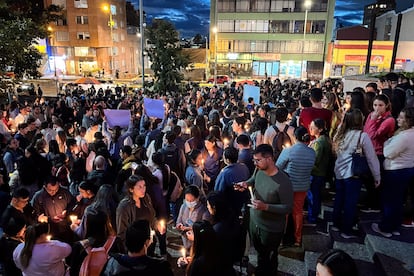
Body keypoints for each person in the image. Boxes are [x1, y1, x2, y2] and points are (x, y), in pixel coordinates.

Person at [234, 144, 293, 276]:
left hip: (271, 228)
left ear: (269, 159)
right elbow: (254, 179)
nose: (255, 164)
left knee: (269, 257)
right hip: (255, 221)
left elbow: (288, 207)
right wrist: (246, 183)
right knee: (260, 253)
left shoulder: (283, 181)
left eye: (258, 160)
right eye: (254, 160)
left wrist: (266, 206)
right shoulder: (259, 170)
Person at [332, 109, 380, 239]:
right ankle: (346, 230)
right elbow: (371, 158)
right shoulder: (362, 136)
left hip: (339, 171)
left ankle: (336, 224)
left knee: (339, 199)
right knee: (350, 202)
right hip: (352, 173)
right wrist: (377, 176)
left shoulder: (340, 134)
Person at [372, 107, 414, 237]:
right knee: (398, 200)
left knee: (390, 200)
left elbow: (388, 153)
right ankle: (395, 225)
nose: (398, 119)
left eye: (401, 117)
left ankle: (386, 227)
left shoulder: (405, 136)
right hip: (407, 169)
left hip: (396, 171)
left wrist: (387, 143)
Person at [276, 126, 315, 246]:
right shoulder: (312, 152)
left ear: (294, 137)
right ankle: (297, 239)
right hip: (303, 186)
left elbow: (278, 167)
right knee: (298, 212)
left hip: (288, 185)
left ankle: (282, 237)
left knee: (285, 212)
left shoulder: (288, 151)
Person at [103, 220, 173, 276]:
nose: (153, 232)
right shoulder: (161, 267)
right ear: (146, 242)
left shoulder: (113, 264)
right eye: (151, 231)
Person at [362, 94, 395, 212]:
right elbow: (365, 133)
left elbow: (372, 135)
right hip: (368, 151)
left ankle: (375, 204)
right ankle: (370, 201)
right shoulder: (371, 115)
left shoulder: (389, 120)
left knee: (376, 180)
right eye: (375, 105)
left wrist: (373, 121)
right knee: (368, 179)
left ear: (386, 106)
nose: (377, 108)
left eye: (380, 105)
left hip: (379, 153)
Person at [116, 174, 165, 252]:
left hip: (150, 244)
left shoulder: (146, 198)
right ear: (131, 189)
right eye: (139, 187)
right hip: (135, 248)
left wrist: (157, 225)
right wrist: (129, 250)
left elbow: (152, 217)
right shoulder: (124, 207)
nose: (143, 190)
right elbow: (122, 232)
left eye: (144, 186)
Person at [68, 209, 123, 276]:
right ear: (107, 224)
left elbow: (73, 271)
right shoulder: (116, 242)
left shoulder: (79, 246)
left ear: (87, 226)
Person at [31, 176, 76, 242]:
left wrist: (67, 212)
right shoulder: (38, 197)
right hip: (48, 230)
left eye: (56, 189)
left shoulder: (65, 192)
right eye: (50, 190)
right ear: (45, 187)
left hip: (65, 227)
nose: (54, 192)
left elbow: (73, 205)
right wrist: (45, 218)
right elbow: (34, 214)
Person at [307, 118, 332, 223]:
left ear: (320, 129)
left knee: (313, 196)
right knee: (316, 195)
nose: (310, 129)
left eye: (313, 127)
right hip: (322, 172)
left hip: (316, 173)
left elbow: (315, 160)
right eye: (310, 126)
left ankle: (312, 217)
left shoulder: (319, 143)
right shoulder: (325, 140)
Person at [214, 146, 250, 218]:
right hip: (243, 202)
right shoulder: (244, 167)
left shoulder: (225, 173)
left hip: (230, 205)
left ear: (227, 160)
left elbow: (218, 191)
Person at [176, 185, 210, 252]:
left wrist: (191, 229)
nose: (189, 202)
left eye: (191, 200)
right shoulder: (183, 206)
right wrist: (179, 225)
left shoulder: (204, 210)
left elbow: (204, 229)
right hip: (186, 241)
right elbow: (178, 221)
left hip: (198, 243)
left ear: (197, 198)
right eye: (187, 200)